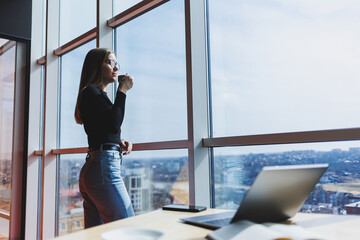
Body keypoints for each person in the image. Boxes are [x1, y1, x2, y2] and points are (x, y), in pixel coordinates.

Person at [74, 48, 135, 228]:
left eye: (116, 63)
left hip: (96, 167)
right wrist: (123, 90)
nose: (115, 68)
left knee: (96, 234)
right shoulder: (91, 92)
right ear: (96, 66)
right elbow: (113, 123)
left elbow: (104, 127)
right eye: (110, 62)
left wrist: (117, 141)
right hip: (103, 168)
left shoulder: (93, 94)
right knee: (128, 230)